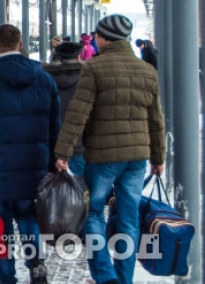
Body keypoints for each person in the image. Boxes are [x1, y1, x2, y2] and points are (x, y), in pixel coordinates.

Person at [54, 14, 165, 284]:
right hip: (136, 158)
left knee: (92, 213)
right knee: (128, 219)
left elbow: (78, 114)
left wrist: (63, 152)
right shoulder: (147, 71)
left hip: (102, 156)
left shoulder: (94, 68)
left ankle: (106, 276)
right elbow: (156, 119)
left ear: (104, 37)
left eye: (98, 36)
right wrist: (158, 158)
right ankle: (124, 279)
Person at [0, 24, 60, 284]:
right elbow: (54, 126)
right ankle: (35, 263)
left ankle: (6, 276)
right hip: (34, 164)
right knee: (28, 216)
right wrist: (54, 161)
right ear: (20, 44)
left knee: (1, 227)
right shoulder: (44, 79)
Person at [42, 41, 85, 176]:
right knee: (81, 190)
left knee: (54, 190)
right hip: (80, 143)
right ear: (78, 57)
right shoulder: (87, 78)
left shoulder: (44, 78)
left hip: (50, 143)